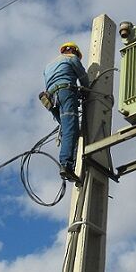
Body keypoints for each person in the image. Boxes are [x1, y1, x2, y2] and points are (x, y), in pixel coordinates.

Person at [43, 41, 90, 182]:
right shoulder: (72, 59)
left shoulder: (49, 65)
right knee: (71, 129)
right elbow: (83, 78)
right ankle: (67, 165)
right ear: (74, 51)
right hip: (65, 92)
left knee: (66, 128)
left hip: (51, 97)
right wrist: (87, 92)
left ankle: (72, 160)